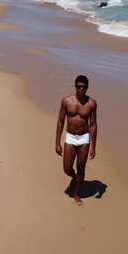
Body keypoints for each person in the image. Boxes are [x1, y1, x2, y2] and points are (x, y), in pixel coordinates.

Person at [55, 75, 97, 205]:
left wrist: (93, 147)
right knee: (67, 168)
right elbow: (61, 121)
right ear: (75, 86)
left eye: (84, 87)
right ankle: (75, 178)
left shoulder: (92, 104)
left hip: (84, 138)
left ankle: (77, 195)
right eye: (79, 86)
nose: (82, 89)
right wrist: (57, 142)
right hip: (71, 137)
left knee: (81, 167)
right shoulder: (66, 101)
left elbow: (93, 125)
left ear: (87, 87)